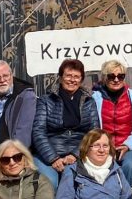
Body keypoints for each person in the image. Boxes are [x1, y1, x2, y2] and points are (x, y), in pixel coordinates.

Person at [32, 59, 99, 187]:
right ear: (61, 77)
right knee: (50, 183)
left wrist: (75, 154)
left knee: (79, 182)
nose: (72, 80)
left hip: (79, 151)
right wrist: (53, 158)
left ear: (81, 79)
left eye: (76, 77)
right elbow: (38, 131)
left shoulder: (89, 101)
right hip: (49, 152)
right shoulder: (46, 100)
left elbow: (94, 132)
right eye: (68, 75)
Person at [92, 59, 132, 185]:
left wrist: (128, 145)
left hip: (128, 146)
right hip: (103, 146)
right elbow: (92, 128)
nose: (116, 80)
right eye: (111, 76)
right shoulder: (95, 98)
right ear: (105, 77)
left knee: (130, 166)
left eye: (120, 76)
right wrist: (104, 147)